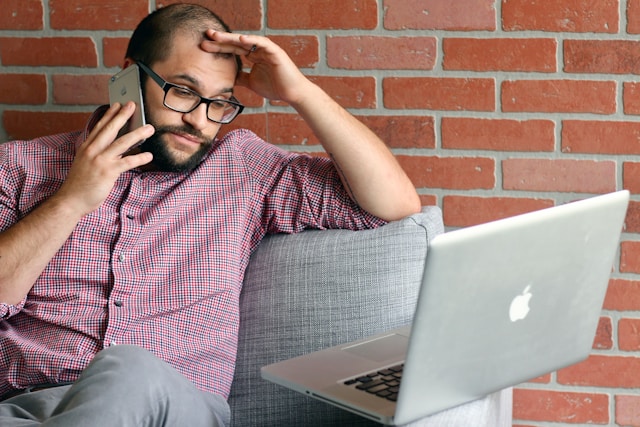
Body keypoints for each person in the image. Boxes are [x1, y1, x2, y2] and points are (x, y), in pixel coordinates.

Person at [0, 3, 421, 426]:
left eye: (219, 103)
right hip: (24, 409)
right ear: (130, 76)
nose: (199, 121)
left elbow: (393, 204)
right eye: (182, 91)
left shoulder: (242, 170)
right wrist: (71, 200)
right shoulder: (19, 167)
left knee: (127, 369)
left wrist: (300, 92)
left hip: (172, 409)